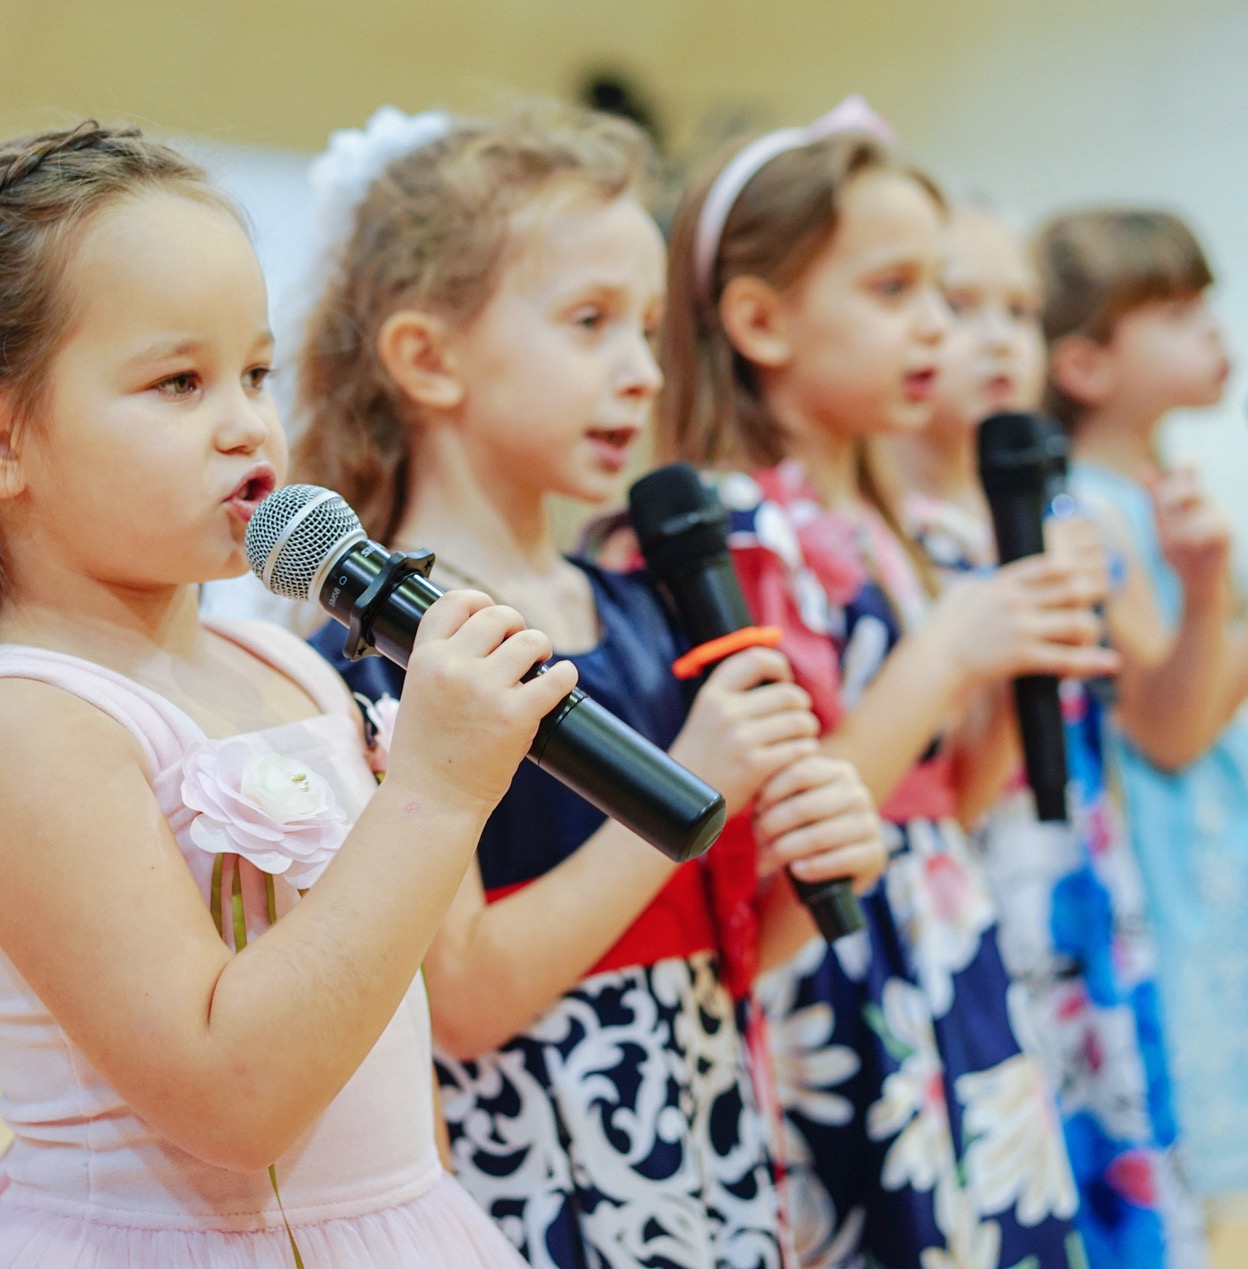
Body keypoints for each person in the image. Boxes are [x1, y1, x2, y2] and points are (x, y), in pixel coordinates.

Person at [294, 103, 888, 1268]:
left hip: (711, 1118)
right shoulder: (378, 656)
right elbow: (465, 996)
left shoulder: (643, 603)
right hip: (544, 1148)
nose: (640, 372)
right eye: (590, 322)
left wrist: (811, 866)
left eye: (652, 330)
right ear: (427, 357)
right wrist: (697, 781)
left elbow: (713, 942)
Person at [0, 121, 588, 1267]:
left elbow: (393, 1030)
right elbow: (234, 1099)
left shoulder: (290, 666)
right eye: (179, 382)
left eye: (256, 373)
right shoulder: (33, 721)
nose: (247, 426)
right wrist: (434, 789)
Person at [655, 100, 1121, 1267]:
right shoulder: (738, 532)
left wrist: (1025, 650)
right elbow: (792, 823)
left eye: (949, 300)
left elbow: (950, 797)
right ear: (759, 319)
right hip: (831, 960)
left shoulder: (911, 527)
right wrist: (951, 651)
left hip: (946, 935)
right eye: (896, 292)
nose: (939, 331)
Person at [875, 201, 1209, 1268]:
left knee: (1113, 1157)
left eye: (1018, 310)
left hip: (1086, 886)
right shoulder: (897, 541)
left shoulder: (1079, 518)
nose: (999, 339)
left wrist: (1202, 588)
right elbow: (942, 781)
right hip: (972, 894)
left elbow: (1162, 721)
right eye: (959, 306)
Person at [1036, 208, 1248, 1204]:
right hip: (1169, 858)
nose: (1211, 331)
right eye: (1174, 312)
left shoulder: (1151, 485)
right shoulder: (1088, 509)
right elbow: (1175, 727)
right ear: (1086, 366)